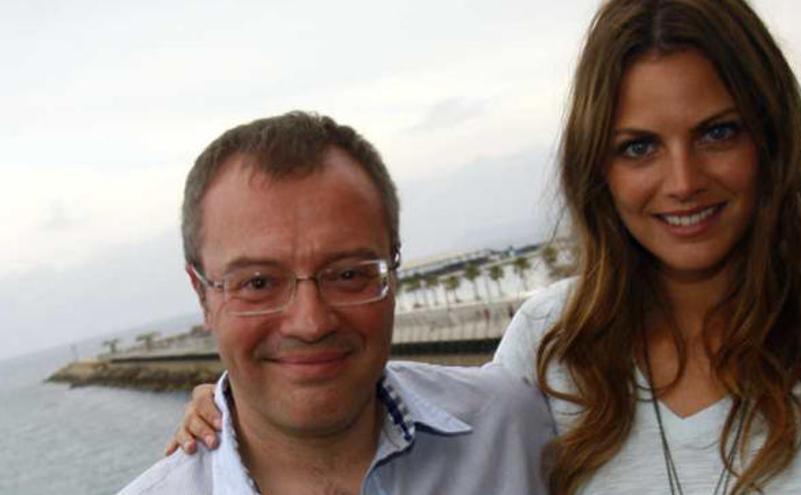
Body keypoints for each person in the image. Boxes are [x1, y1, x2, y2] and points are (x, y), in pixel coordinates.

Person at [170, 1, 801, 493]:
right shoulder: (549, 342)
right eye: (638, 147)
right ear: (597, 168)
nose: (683, 180)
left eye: (719, 132)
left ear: (772, 138)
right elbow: (390, 410)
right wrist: (236, 406)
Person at [118, 111, 554, 495]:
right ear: (202, 295)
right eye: (258, 283)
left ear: (393, 271)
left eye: (348, 274)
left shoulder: (516, 429)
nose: (310, 323)